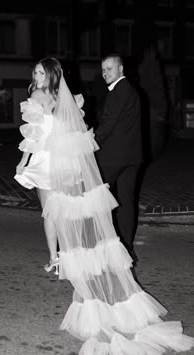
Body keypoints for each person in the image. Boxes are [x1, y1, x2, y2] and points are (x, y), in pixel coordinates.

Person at [14, 57, 194, 355]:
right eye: (35, 71)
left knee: (50, 211)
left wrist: (22, 163)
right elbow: (76, 131)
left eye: (40, 72)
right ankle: (68, 254)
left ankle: (57, 257)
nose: (36, 76)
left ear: (49, 76)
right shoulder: (66, 97)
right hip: (68, 163)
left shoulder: (35, 96)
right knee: (68, 212)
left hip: (47, 162)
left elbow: (34, 139)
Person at [95, 54, 143, 263]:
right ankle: (126, 249)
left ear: (121, 69)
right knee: (126, 203)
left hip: (112, 159)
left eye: (109, 69)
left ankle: (104, 248)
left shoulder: (116, 93)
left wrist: (90, 142)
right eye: (103, 70)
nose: (105, 73)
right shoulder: (132, 91)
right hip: (132, 158)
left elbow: (107, 124)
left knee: (98, 202)